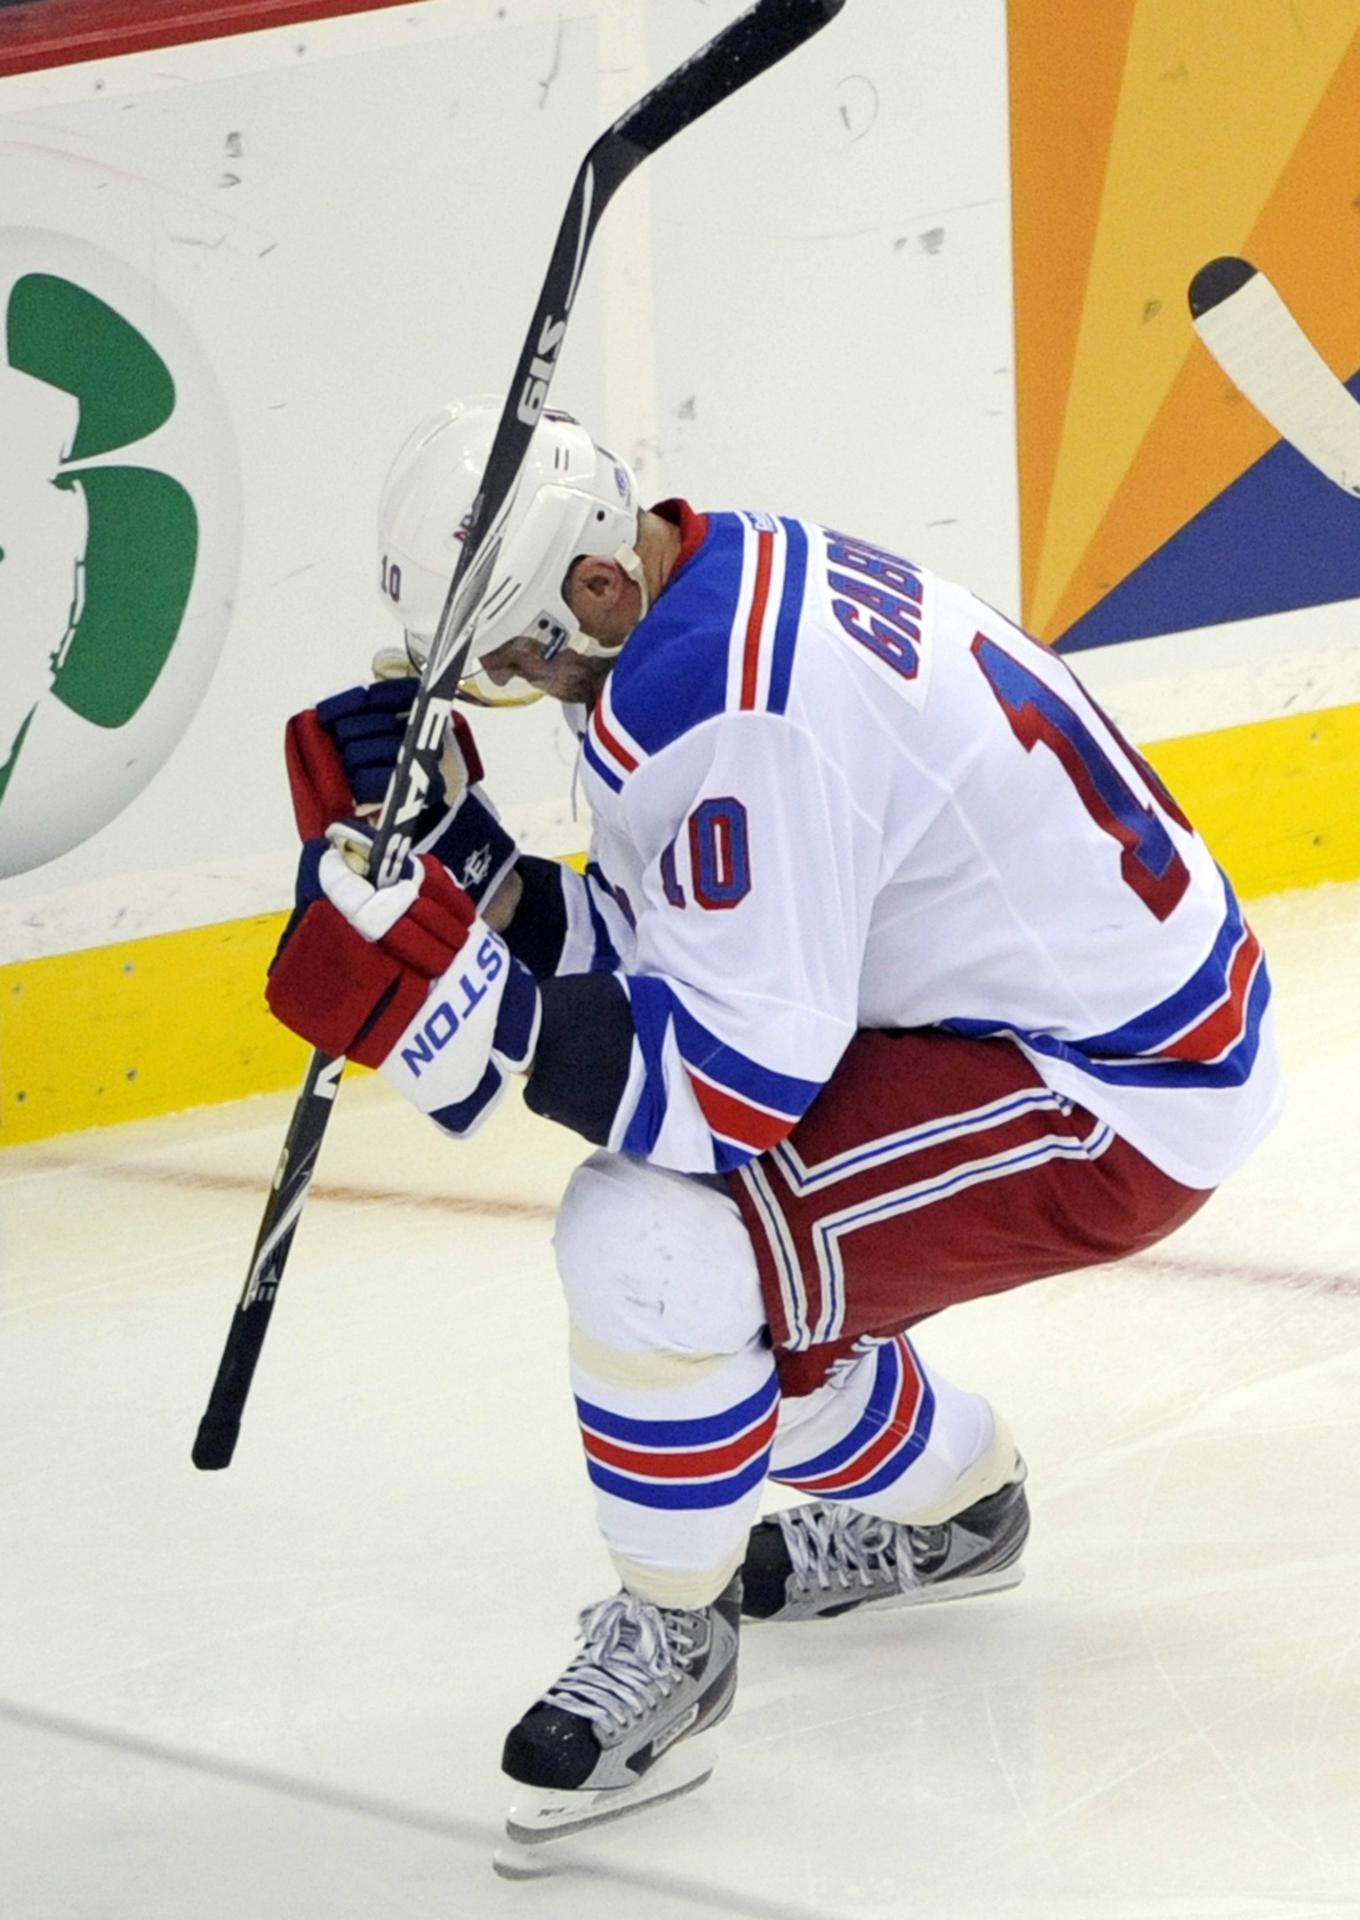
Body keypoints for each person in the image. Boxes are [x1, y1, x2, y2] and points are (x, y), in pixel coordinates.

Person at [265, 395, 1284, 1846]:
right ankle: (959, 1510)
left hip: (1115, 1089)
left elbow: (732, 1092)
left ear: (595, 586)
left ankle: (674, 1642)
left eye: (518, 658)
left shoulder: (725, 705)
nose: (515, 688)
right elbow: (679, 944)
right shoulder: (705, 588)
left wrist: (474, 1018)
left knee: (660, 1251)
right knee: (735, 1314)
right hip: (1048, 1014)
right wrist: (478, 883)